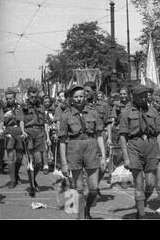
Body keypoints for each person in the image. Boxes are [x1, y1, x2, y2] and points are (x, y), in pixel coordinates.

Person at [58, 85, 107, 219]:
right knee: (78, 188)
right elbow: (62, 140)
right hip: (74, 148)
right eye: (76, 97)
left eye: (81, 96)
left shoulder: (93, 112)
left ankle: (86, 209)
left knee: (93, 188)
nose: (79, 99)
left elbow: (99, 135)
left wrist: (103, 156)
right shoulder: (65, 115)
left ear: (85, 97)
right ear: (71, 99)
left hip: (91, 147)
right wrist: (64, 163)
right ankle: (80, 217)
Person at [118, 84, 158, 219]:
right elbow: (123, 136)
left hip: (152, 147)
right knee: (139, 183)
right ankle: (141, 215)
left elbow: (159, 133)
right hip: (134, 147)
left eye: (145, 95)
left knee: (151, 183)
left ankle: (140, 204)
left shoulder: (153, 111)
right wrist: (126, 157)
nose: (143, 98)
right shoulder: (126, 113)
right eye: (140, 96)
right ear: (133, 97)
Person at [84, 81, 112, 201]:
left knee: (102, 167)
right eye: (84, 91)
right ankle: (91, 190)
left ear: (94, 91)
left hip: (100, 138)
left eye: (88, 91)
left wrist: (110, 138)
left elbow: (108, 123)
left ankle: (95, 187)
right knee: (88, 167)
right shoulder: (82, 105)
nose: (85, 93)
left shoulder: (103, 106)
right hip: (87, 139)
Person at [21, 87, 50, 197]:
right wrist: (23, 132)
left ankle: (33, 178)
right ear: (28, 95)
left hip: (39, 132)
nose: (33, 99)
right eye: (31, 97)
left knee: (38, 162)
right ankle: (32, 187)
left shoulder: (41, 107)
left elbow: (45, 122)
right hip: (28, 133)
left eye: (35, 96)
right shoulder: (23, 107)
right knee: (30, 162)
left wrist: (47, 137)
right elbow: (21, 121)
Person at [2, 89, 25, 188]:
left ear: (14, 98)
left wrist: (23, 132)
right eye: (7, 98)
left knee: (19, 157)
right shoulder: (3, 108)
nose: (9, 100)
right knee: (10, 157)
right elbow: (1, 121)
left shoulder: (18, 107)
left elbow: (21, 120)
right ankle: (12, 180)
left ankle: (15, 174)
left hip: (18, 131)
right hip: (8, 132)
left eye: (11, 98)